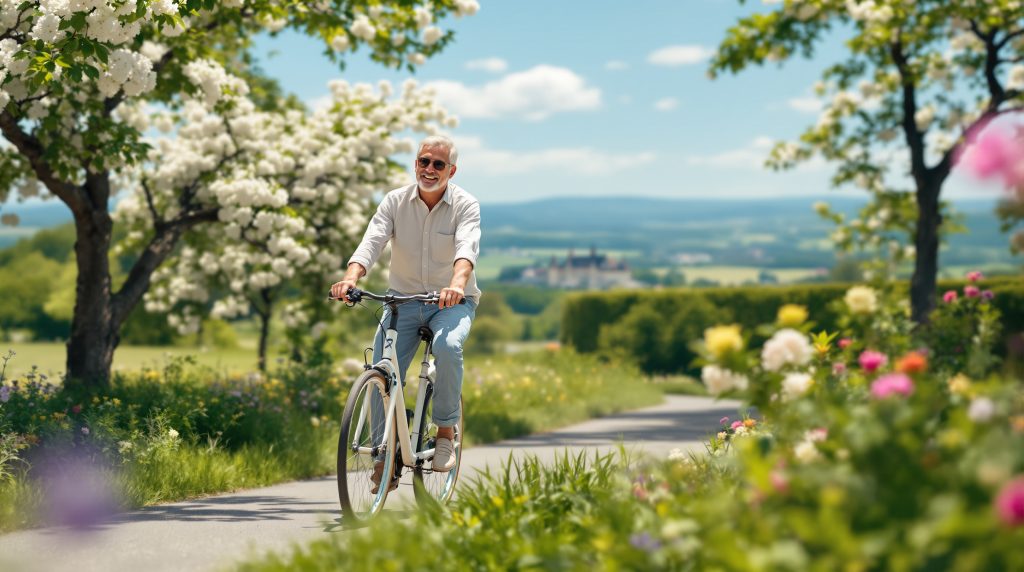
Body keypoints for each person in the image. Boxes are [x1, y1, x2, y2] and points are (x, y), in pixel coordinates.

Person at [330, 135, 480, 490]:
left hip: (451, 303)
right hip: (402, 301)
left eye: (438, 164)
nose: (429, 169)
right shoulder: (395, 201)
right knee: (382, 366)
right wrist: (350, 277)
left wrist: (457, 284)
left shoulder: (465, 204)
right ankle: (386, 452)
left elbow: (466, 248)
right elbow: (373, 240)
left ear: (451, 171)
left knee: (447, 348)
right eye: (423, 161)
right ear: (415, 163)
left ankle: (445, 431)